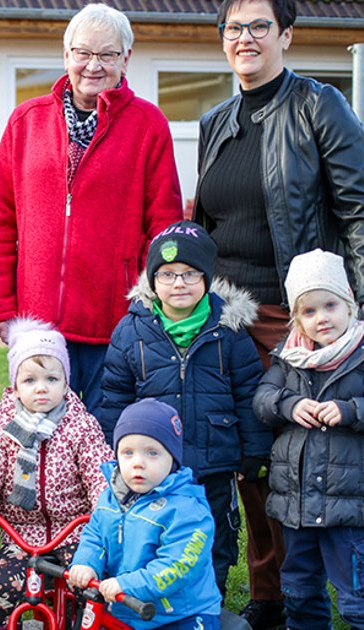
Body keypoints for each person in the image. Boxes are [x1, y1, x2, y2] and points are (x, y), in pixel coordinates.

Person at [194, 1, 364, 624]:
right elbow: (207, 220)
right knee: (245, 455)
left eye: (260, 26)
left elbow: (358, 209)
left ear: (286, 34)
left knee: (292, 456)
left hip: (294, 315)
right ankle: (267, 593)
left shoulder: (319, 106)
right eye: (235, 28)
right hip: (225, 314)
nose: (246, 38)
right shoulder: (216, 120)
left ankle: (291, 591)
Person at [0, 2, 182, 414]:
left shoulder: (149, 125)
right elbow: (1, 221)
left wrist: (148, 306)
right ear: (66, 55)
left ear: (126, 59)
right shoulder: (26, 122)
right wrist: (2, 309)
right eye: (83, 53)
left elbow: (163, 225)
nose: (94, 65)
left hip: (115, 323)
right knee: (36, 442)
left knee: (103, 443)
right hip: (36, 326)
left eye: (108, 54)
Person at [98, 221, 270, 596]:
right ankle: (150, 604)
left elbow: (247, 391)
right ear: (152, 280)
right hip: (153, 466)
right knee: (153, 538)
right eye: (168, 274)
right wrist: (115, 455)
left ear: (207, 278)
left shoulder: (229, 330)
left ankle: (210, 601)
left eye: (190, 274)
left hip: (213, 463)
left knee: (214, 539)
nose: (179, 283)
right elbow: (114, 397)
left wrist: (253, 450)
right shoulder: (132, 331)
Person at [253, 250, 364, 630]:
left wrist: (352, 411)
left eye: (330, 305)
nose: (321, 318)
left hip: (352, 504)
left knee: (362, 596)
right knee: (300, 592)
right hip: (296, 505)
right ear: (297, 318)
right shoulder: (288, 357)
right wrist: (289, 405)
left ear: (349, 304)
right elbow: (262, 400)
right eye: (309, 312)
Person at [0, 318, 116, 630]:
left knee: (83, 581)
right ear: (15, 384)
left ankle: (77, 623)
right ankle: (5, 625)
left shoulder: (80, 425)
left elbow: (99, 469)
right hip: (20, 529)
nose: (41, 388)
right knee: (7, 586)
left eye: (52, 379)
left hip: (72, 528)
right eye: (30, 380)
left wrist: (104, 504)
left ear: (66, 382)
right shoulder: (3, 426)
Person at [69, 399, 222, 630]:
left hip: (181, 615)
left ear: (172, 459)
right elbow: (95, 536)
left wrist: (126, 584)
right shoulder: (110, 498)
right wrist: (86, 563)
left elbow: (177, 566)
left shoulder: (187, 511)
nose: (138, 463)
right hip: (127, 607)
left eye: (152, 453)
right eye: (128, 453)